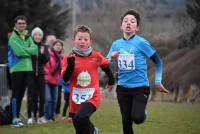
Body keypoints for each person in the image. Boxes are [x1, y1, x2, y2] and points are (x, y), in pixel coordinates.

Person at [106, 9, 169, 134]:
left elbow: (158, 61)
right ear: (121, 26)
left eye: (132, 21)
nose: (128, 23)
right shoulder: (116, 44)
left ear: (137, 28)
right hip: (123, 88)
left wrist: (157, 81)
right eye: (125, 21)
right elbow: (106, 63)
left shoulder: (141, 43)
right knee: (126, 121)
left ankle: (142, 113)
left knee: (138, 118)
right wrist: (112, 58)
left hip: (140, 88)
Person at [61, 25, 115, 134]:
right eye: (79, 39)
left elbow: (106, 67)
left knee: (80, 118)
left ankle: (93, 131)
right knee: (79, 125)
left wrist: (112, 81)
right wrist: (71, 65)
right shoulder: (69, 57)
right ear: (73, 41)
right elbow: (65, 79)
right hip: (76, 98)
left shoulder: (96, 56)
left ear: (90, 41)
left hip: (92, 96)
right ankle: (93, 131)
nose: (82, 42)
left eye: (86, 39)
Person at [8, 15, 38, 127]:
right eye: (19, 23)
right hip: (16, 69)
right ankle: (14, 119)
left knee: (21, 95)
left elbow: (35, 50)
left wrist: (25, 50)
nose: (21, 25)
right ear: (15, 24)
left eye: (23, 23)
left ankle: (16, 118)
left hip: (27, 68)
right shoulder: (13, 37)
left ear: (25, 25)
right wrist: (28, 51)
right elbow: (18, 52)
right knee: (15, 94)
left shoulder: (28, 36)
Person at [27, 27, 49, 124]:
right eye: (36, 34)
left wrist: (42, 54)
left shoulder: (44, 47)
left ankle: (41, 116)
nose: (38, 36)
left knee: (42, 96)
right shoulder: (29, 46)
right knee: (31, 96)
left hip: (40, 74)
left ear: (41, 36)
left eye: (39, 35)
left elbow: (46, 60)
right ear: (33, 36)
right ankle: (31, 116)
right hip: (30, 74)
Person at [44, 39, 64, 122]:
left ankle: (51, 117)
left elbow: (63, 69)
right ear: (53, 46)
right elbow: (45, 66)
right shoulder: (48, 54)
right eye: (57, 45)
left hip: (56, 81)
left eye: (60, 45)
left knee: (54, 99)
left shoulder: (62, 57)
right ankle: (46, 116)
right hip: (47, 80)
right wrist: (48, 75)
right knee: (48, 99)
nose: (58, 47)